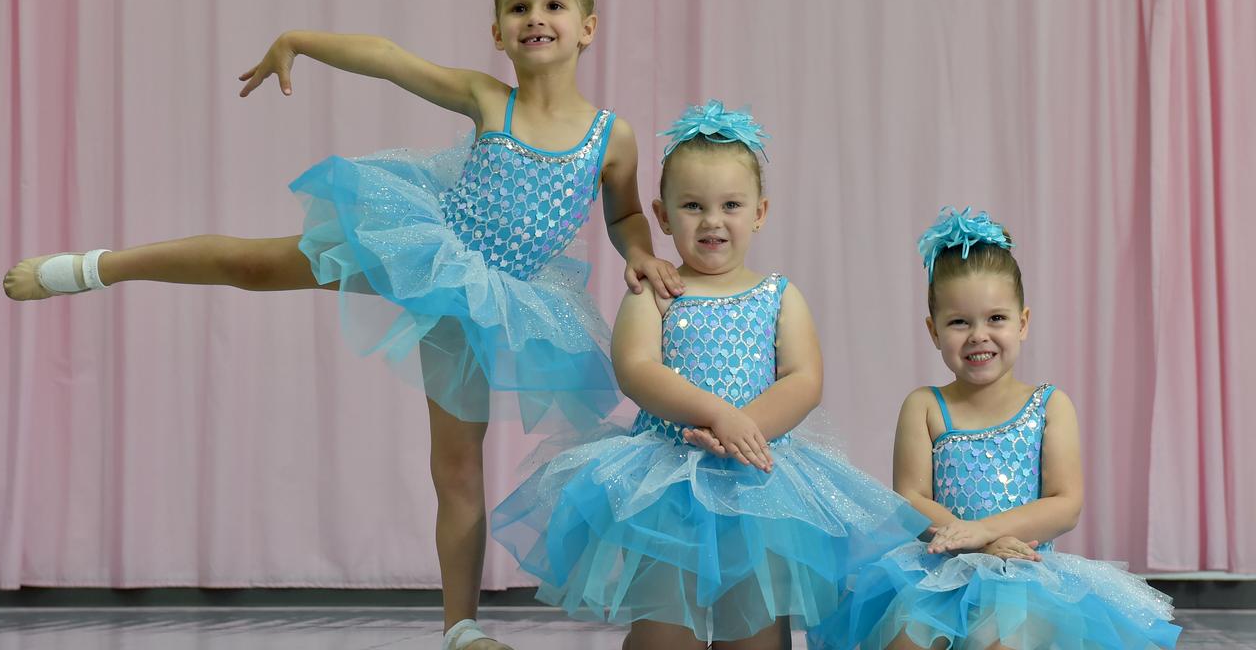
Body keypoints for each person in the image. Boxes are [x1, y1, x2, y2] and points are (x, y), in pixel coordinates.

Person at [2, 0, 682, 648]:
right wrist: (301, 38)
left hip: (493, 304)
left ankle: (461, 629)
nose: (535, 17)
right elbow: (390, 60)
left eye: (552, 4)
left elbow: (626, 211)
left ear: (587, 27)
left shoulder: (614, 137)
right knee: (258, 266)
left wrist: (639, 253)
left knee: (457, 467)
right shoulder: (490, 99)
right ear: (498, 32)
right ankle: (96, 266)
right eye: (519, 6)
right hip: (425, 249)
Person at [491, 101, 928, 650]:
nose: (713, 221)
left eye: (731, 205)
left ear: (760, 211)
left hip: (761, 482)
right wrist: (717, 414)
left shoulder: (779, 295)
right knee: (664, 632)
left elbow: (803, 378)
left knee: (758, 632)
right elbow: (637, 369)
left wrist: (742, 428)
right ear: (664, 215)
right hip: (668, 479)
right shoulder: (656, 291)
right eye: (693, 206)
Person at [810, 207, 1181, 650]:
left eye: (996, 319)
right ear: (934, 331)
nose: (978, 335)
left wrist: (988, 532)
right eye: (959, 322)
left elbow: (1066, 503)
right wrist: (971, 543)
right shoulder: (926, 406)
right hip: (940, 571)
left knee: (999, 639)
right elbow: (910, 499)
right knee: (907, 641)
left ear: (1022, 322)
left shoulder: (1049, 406)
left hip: (1025, 573)